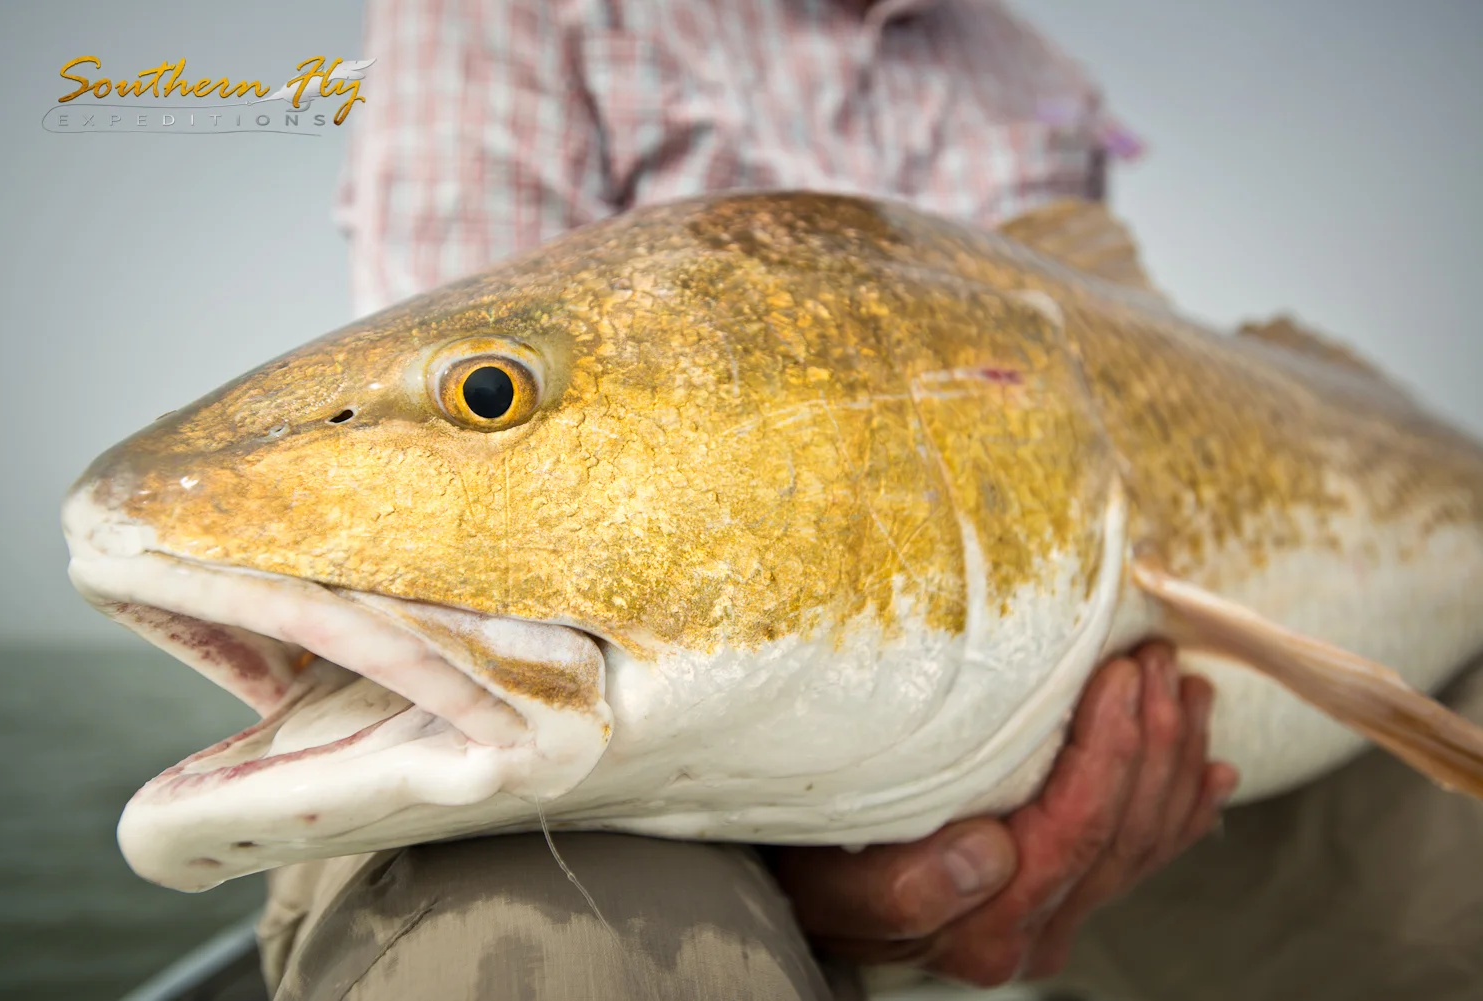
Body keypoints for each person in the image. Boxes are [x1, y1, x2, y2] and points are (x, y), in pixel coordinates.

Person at [257, 2, 1483, 999]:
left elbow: (1028, 351)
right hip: (613, 725)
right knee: (547, 956)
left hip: (1015, 708)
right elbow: (474, 434)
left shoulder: (1023, 68)